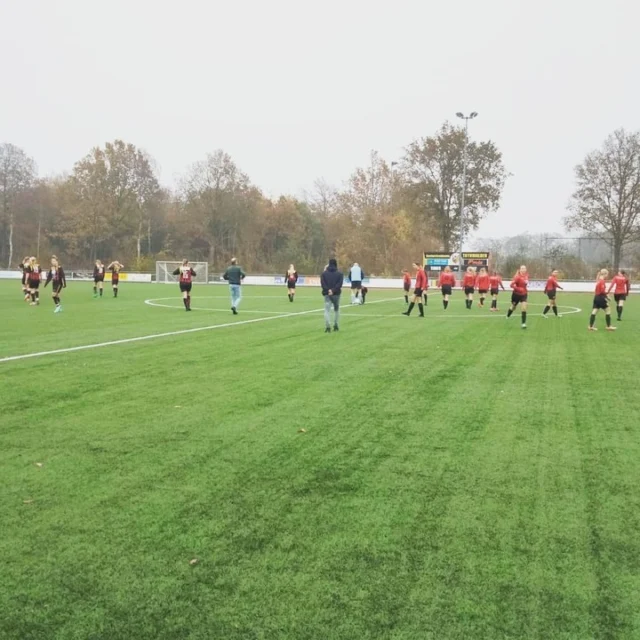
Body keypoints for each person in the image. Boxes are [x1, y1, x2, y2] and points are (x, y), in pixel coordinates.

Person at [321, 258, 343, 333]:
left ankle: (327, 326)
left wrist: (328, 290)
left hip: (327, 294)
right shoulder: (340, 274)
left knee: (327, 310)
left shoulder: (324, 274)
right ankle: (336, 325)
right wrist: (333, 290)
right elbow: (339, 284)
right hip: (336, 294)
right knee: (336, 310)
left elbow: (323, 284)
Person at [507, 265, 529, 329]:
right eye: (522, 268)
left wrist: (524, 289)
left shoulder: (527, 276)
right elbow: (511, 285)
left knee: (524, 308)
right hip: (516, 294)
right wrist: (518, 288)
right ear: (520, 270)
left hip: (524, 294)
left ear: (526, 269)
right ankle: (508, 315)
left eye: (524, 268)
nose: (523, 269)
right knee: (513, 307)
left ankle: (523, 323)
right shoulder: (517, 277)